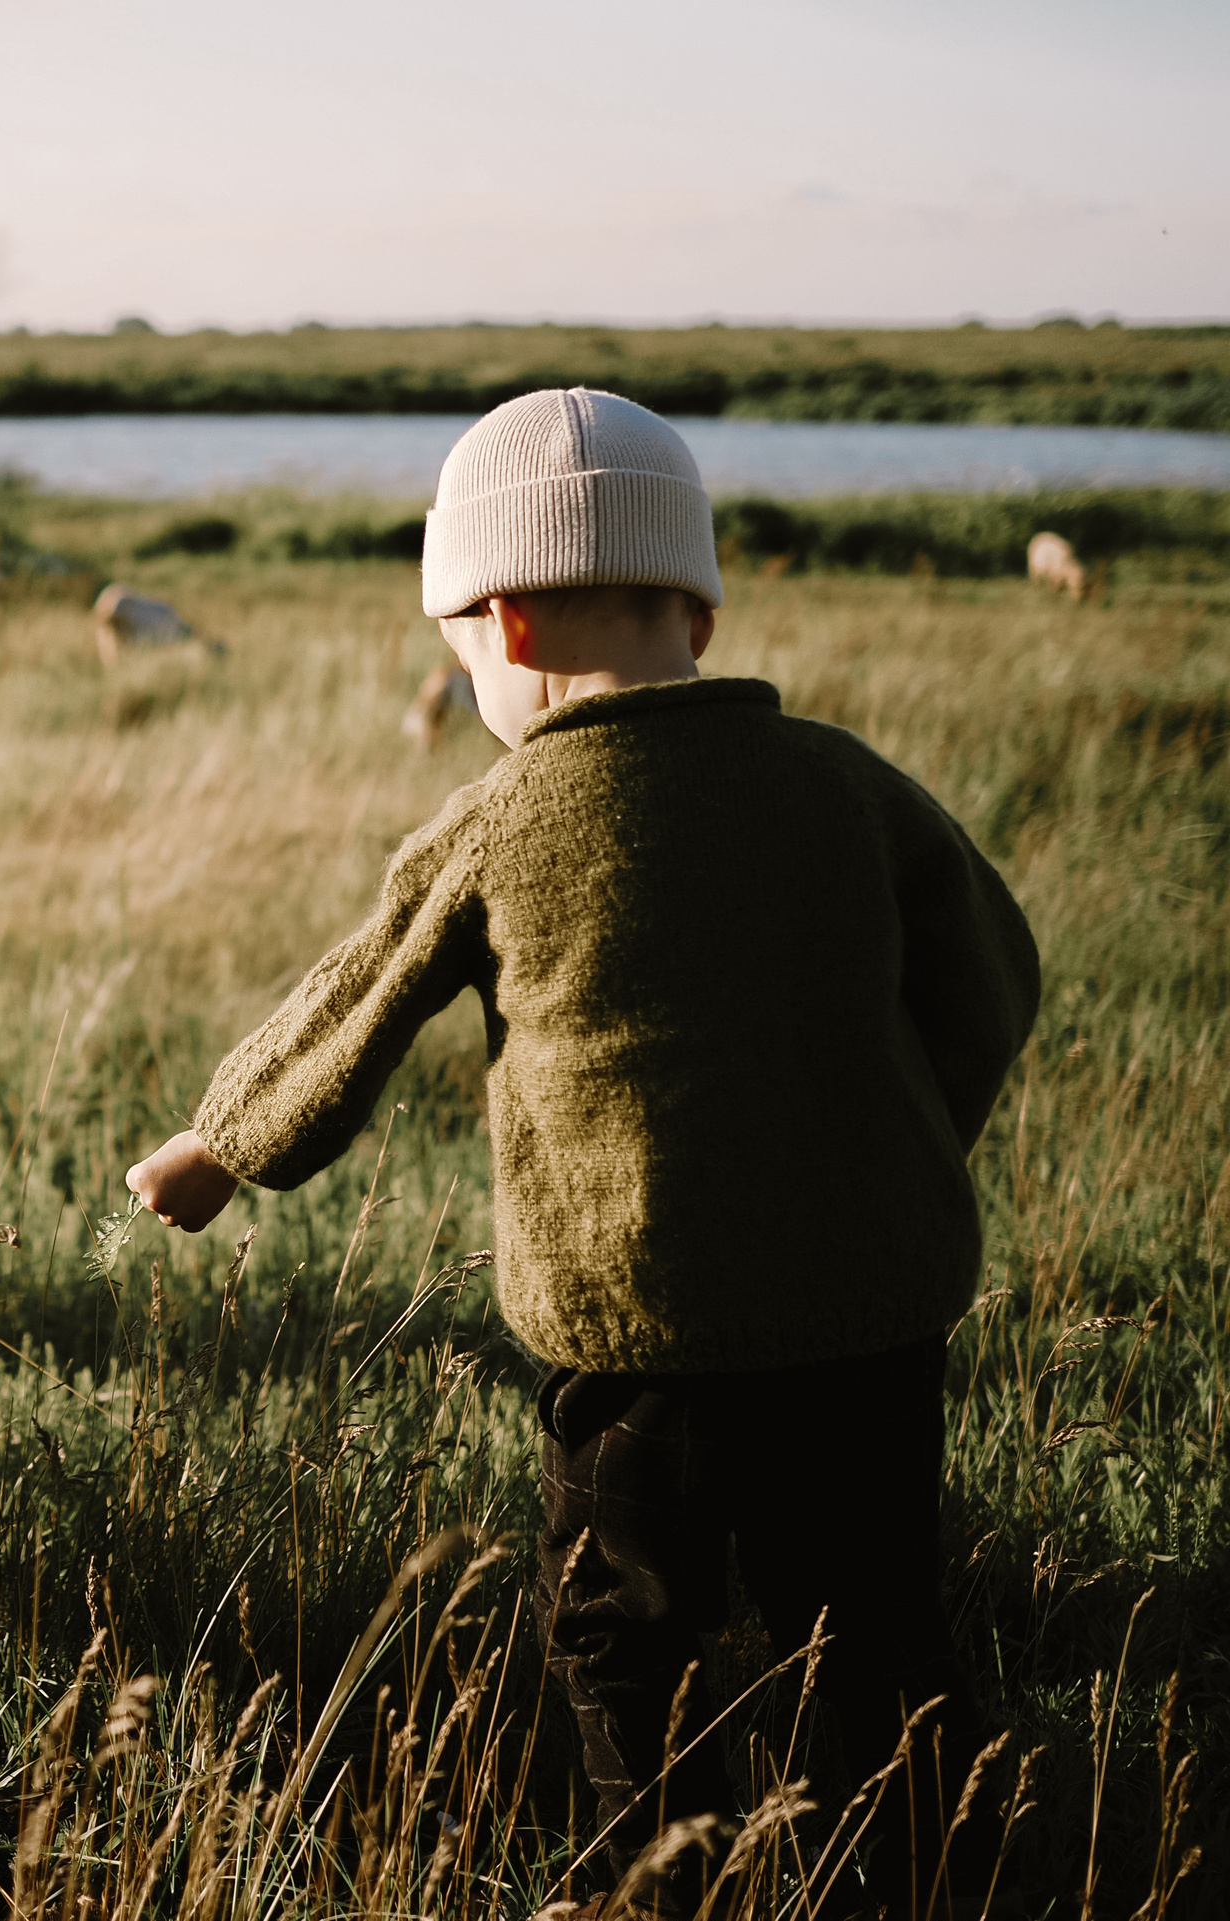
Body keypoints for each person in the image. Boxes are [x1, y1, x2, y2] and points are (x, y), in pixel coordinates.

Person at [126, 389, 1038, 1916]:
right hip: (870, 1319)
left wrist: (219, 1143)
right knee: (873, 1624)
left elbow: (352, 1003)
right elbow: (992, 970)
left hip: (639, 1332)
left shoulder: (506, 816)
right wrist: (902, 1145)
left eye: (459, 650)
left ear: (507, 629)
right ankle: (928, 1872)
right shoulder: (845, 783)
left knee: (626, 1627)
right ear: (693, 601)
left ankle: (650, 1884)